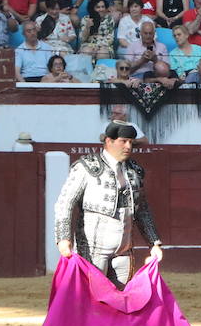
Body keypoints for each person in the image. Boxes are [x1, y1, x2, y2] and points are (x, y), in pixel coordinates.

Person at [54, 121, 163, 288]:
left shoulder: (134, 171)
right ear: (109, 141)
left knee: (120, 302)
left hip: (124, 251)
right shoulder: (87, 167)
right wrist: (63, 238)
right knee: (91, 301)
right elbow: (65, 203)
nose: (128, 146)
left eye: (131, 142)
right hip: (93, 251)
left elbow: (142, 210)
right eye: (123, 141)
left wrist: (154, 243)